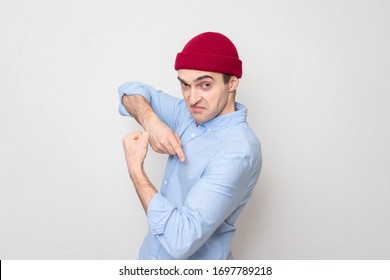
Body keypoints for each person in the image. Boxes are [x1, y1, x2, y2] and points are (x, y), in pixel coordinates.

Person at [118, 32, 262, 260]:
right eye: (185, 85)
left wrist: (136, 170)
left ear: (232, 82)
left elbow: (180, 240)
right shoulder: (186, 114)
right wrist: (151, 121)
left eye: (205, 84)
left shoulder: (237, 153)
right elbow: (129, 91)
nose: (192, 98)